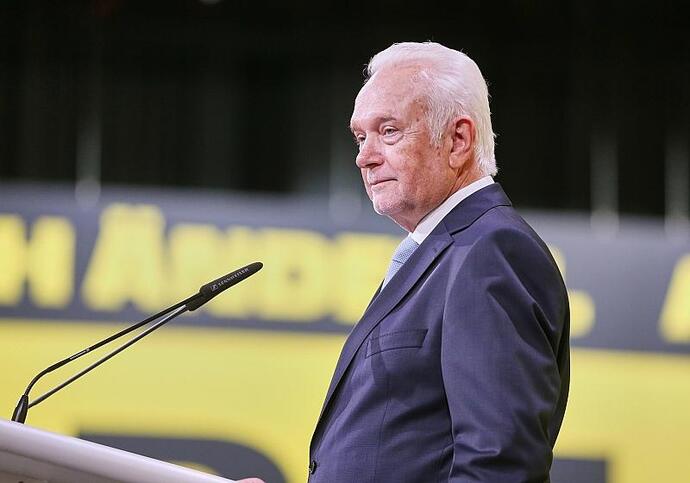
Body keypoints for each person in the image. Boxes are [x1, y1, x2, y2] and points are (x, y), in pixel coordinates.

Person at [307, 42, 570, 482]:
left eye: (389, 131)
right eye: (360, 137)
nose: (364, 156)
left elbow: (499, 466)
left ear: (458, 140)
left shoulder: (491, 251)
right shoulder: (445, 252)